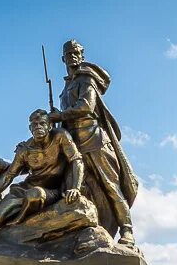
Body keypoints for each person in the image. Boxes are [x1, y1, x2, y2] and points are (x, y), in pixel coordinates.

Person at [0, 110, 83, 256]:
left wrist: (75, 188)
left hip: (53, 190)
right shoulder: (24, 149)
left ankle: (16, 227)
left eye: (42, 123)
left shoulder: (60, 136)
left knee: (35, 195)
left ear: (50, 126)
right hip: (24, 189)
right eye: (34, 124)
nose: (38, 127)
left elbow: (76, 160)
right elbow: (9, 175)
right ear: (30, 128)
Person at [51, 39, 139, 246]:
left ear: (82, 55)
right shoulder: (67, 86)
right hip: (73, 143)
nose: (73, 56)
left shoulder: (86, 78)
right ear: (63, 58)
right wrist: (57, 118)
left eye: (76, 53)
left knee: (110, 185)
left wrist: (59, 115)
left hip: (94, 138)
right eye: (69, 54)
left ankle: (127, 230)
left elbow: (86, 107)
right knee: (75, 188)